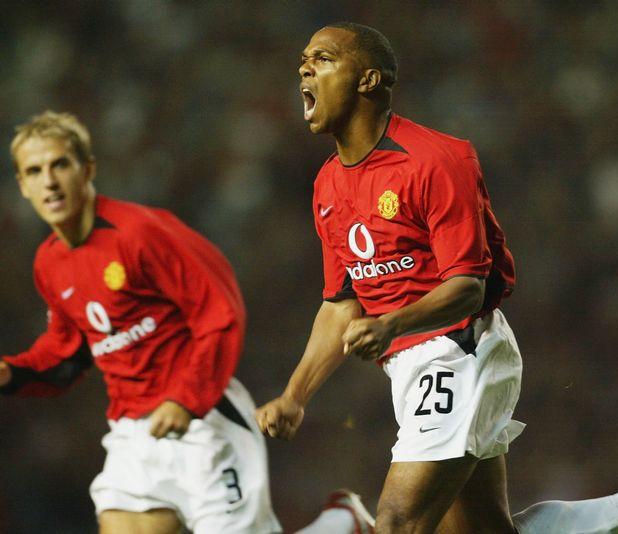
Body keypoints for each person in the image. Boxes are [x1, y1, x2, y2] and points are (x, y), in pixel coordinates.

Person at [254, 22, 618, 534]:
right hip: (409, 366)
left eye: (323, 58)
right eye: (303, 60)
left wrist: (391, 324)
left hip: (458, 350)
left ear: (368, 80)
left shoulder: (435, 160)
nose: (305, 68)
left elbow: (468, 286)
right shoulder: (328, 185)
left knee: (398, 523)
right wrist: (295, 396)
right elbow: (341, 303)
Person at [0, 111, 375, 534]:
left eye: (60, 165)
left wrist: (186, 400)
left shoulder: (141, 232)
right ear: (22, 185)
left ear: (87, 169)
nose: (49, 181)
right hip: (133, 436)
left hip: (204, 421)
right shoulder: (49, 262)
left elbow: (220, 313)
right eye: (35, 171)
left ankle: (342, 524)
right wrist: (13, 372)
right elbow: (67, 353)